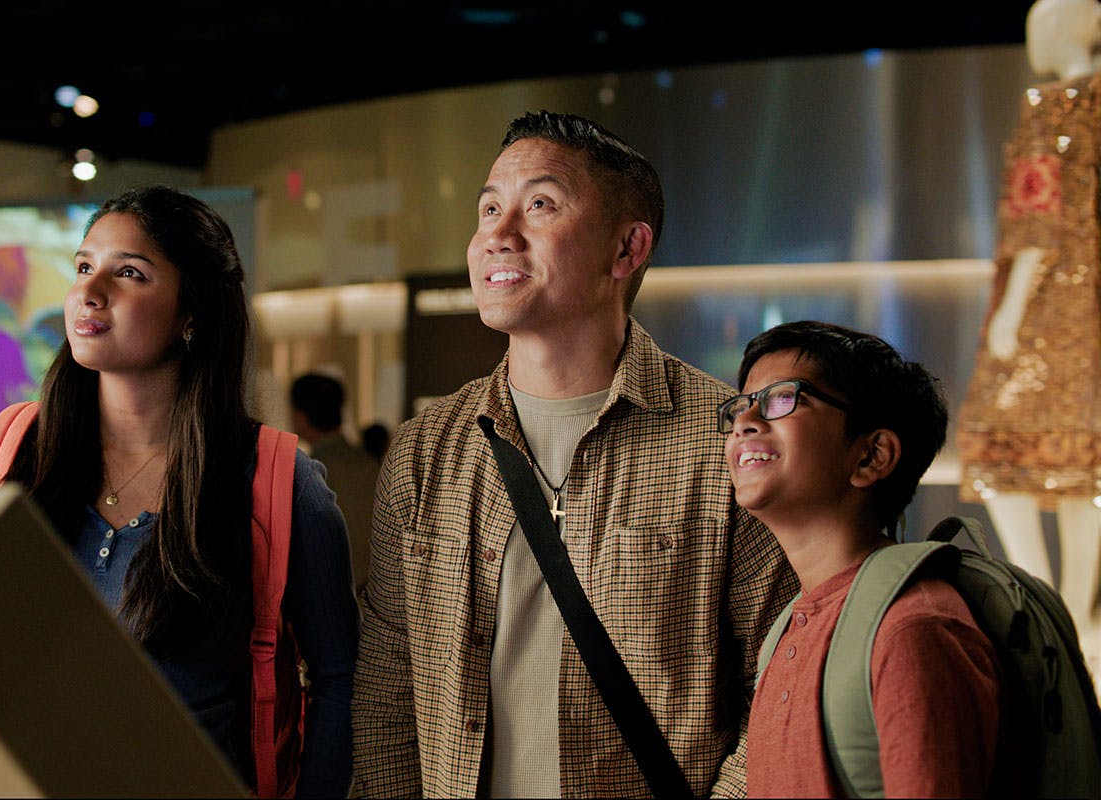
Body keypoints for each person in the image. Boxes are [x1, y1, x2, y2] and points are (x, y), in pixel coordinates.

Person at [351, 110, 798, 798]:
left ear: (626, 249)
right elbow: (388, 694)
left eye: (539, 206)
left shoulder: (725, 444)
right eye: (489, 209)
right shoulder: (426, 450)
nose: (498, 235)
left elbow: (780, 689)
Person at [0, 185, 359, 798]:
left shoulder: (276, 481)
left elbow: (338, 678)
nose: (90, 292)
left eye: (129, 273)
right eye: (84, 267)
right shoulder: (6, 450)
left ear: (191, 312)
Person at [727, 320, 1001, 797]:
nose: (744, 421)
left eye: (784, 398)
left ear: (872, 456)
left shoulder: (912, 629)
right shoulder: (792, 622)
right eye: (741, 405)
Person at [956, 0, 1101, 685]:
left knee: (993, 440)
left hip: (1047, 308)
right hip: (1090, 309)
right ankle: (1075, 610)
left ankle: (1042, 605)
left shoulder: (1054, 105)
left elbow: (1036, 216)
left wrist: (1014, 307)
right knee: (1082, 465)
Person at [290, 371, 380, 597]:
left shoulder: (307, 473)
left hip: (332, 599)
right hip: (378, 599)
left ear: (300, 415)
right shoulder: (371, 464)